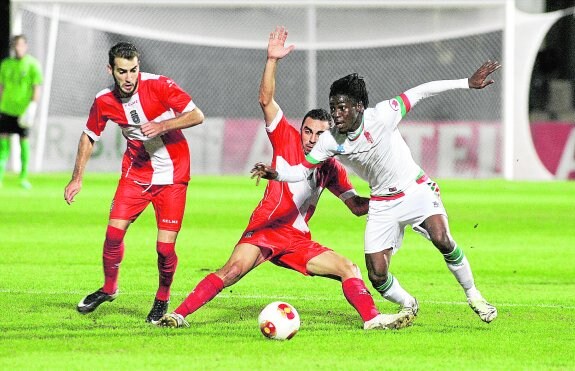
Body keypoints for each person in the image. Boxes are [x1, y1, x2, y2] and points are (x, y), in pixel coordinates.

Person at [158, 27, 413, 330]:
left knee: (349, 268)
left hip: (296, 240)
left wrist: (393, 199)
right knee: (232, 270)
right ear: (300, 129)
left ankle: (372, 319)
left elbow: (356, 206)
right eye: (307, 131)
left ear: (329, 133)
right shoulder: (285, 138)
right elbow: (266, 100)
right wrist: (271, 60)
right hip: (266, 228)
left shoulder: (330, 165)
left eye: (319, 133)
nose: (311, 138)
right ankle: (177, 315)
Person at [252, 58, 502, 324]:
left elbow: (421, 91)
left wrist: (466, 83)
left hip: (415, 189)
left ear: (359, 107)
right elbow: (302, 171)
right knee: (377, 275)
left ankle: (473, 295)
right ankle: (408, 304)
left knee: (442, 238)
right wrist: (276, 174)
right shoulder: (330, 141)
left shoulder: (383, 115)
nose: (336, 114)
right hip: (382, 202)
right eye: (333, 108)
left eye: (342, 108)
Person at [64, 42, 204, 324]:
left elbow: (197, 115)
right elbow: (88, 136)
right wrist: (77, 178)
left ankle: (162, 298)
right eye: (122, 72)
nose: (129, 78)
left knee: (165, 249)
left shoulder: (160, 85)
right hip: (136, 174)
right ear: (110, 70)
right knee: (113, 236)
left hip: (173, 176)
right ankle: (109, 288)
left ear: (139, 66)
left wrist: (162, 126)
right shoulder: (104, 100)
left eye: (133, 70)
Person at [0, 35, 43, 189]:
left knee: (23, 143)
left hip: (23, 112)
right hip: (6, 109)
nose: (18, 48)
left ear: (26, 46)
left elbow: (36, 88)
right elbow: (2, 87)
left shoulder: (33, 65)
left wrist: (32, 107)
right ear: (13, 47)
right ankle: (0, 177)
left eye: (21, 45)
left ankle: (23, 177)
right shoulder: (5, 64)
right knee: (3, 145)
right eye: (16, 45)